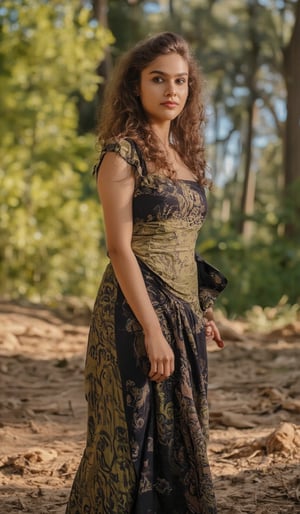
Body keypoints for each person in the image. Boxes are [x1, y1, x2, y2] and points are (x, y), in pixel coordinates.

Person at [65, 31, 224, 514]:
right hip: (134, 317)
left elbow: (185, 247)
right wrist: (153, 331)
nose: (171, 90)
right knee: (131, 442)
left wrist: (202, 310)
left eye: (180, 81)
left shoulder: (185, 158)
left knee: (181, 440)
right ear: (136, 86)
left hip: (184, 318)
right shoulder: (122, 153)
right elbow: (119, 248)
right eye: (158, 79)